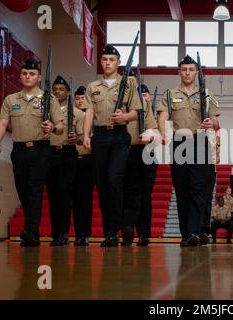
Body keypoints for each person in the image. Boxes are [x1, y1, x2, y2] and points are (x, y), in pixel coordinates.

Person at [0, 58, 64, 246]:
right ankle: (32, 231)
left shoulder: (49, 99)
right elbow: (2, 122)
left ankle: (31, 230)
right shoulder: (11, 99)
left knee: (35, 190)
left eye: (32, 74)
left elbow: (60, 125)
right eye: (24, 73)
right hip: (18, 150)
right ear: (20, 76)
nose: (28, 76)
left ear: (39, 77)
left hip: (40, 149)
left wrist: (52, 127)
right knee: (22, 189)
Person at [156, 54, 220, 247]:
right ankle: (187, 233)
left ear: (196, 72)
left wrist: (211, 122)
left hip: (200, 141)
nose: (187, 72)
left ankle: (195, 230)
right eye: (184, 69)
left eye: (191, 69)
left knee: (197, 188)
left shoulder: (206, 94)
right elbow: (163, 116)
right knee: (182, 188)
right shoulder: (169, 94)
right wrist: (163, 132)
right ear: (179, 72)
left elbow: (215, 119)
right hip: (179, 142)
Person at [82, 45, 142, 247]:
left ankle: (119, 226)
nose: (108, 63)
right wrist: (86, 135)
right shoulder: (92, 87)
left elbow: (136, 112)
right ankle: (110, 232)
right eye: (105, 59)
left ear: (118, 63)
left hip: (119, 137)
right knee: (102, 184)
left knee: (114, 178)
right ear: (101, 62)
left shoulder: (128, 85)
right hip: (99, 136)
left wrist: (124, 116)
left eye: (112, 59)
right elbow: (89, 112)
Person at [47, 76, 84, 246]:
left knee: (63, 194)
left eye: (61, 89)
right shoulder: (46, 109)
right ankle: (55, 234)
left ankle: (63, 233)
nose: (57, 92)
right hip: (49, 154)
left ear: (68, 92)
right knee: (52, 195)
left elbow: (83, 137)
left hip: (68, 154)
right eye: (55, 89)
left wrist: (76, 138)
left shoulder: (77, 113)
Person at [124, 82, 161, 246]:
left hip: (147, 153)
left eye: (145, 95)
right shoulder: (126, 107)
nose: (143, 98)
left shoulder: (148, 110)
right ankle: (128, 229)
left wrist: (150, 136)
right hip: (129, 151)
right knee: (130, 193)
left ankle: (144, 233)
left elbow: (156, 132)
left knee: (145, 195)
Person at [72, 86, 94, 246]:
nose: (80, 101)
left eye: (82, 98)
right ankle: (77, 232)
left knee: (85, 198)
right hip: (72, 159)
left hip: (88, 159)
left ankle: (85, 233)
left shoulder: (93, 116)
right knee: (74, 198)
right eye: (77, 98)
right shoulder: (70, 115)